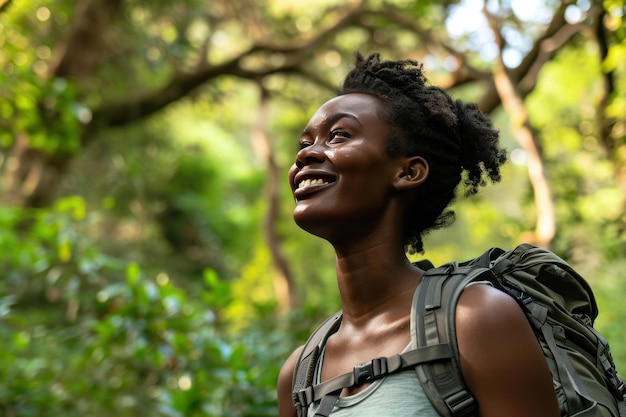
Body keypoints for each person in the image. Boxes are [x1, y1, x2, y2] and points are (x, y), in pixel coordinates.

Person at [277, 52, 560, 417]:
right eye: (304, 143)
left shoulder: (476, 321)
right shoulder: (298, 374)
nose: (307, 155)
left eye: (338, 135)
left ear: (408, 172)